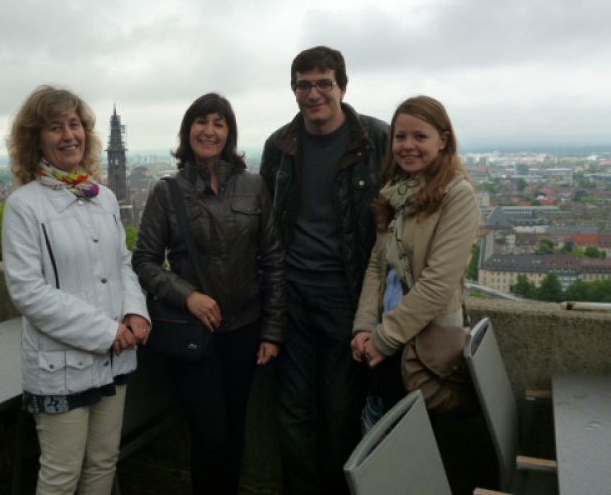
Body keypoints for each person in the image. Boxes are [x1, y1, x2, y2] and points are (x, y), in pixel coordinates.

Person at [133, 92, 286, 495]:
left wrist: (271, 332)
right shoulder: (167, 192)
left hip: (245, 329)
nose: (210, 130)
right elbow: (145, 260)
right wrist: (188, 296)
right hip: (193, 332)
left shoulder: (254, 187)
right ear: (188, 131)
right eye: (202, 122)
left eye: (219, 123)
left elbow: (272, 259)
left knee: (235, 432)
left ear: (230, 134)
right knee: (209, 435)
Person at [2, 86, 150, 495]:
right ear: (36, 139)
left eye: (75, 125)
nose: (69, 135)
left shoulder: (102, 198)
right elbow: (28, 292)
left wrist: (136, 313)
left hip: (113, 358)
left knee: (103, 464)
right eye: (55, 127)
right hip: (61, 365)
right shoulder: (24, 206)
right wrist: (106, 332)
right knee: (61, 475)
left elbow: (123, 263)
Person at [259, 45, 389, 495]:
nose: (313, 93)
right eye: (303, 85)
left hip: (347, 297)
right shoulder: (279, 146)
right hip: (292, 297)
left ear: (342, 87)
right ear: (294, 91)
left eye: (323, 84)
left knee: (339, 410)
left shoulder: (376, 139)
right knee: (292, 411)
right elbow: (267, 225)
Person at [351, 95, 480, 410]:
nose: (407, 145)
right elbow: (378, 267)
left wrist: (384, 338)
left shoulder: (458, 195)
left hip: (423, 345)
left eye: (420, 136)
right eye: (400, 136)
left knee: (417, 445)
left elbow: (438, 283)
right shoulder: (397, 190)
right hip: (386, 338)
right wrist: (365, 326)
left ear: (443, 141)